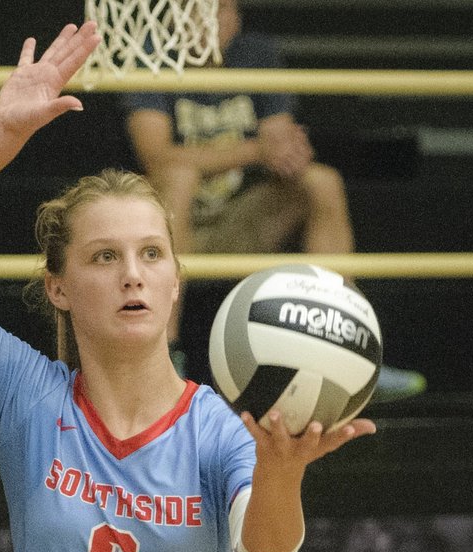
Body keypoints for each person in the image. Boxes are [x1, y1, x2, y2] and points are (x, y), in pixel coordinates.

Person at [0, 22, 375, 552]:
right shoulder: (26, 399)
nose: (133, 274)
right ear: (58, 287)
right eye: (105, 256)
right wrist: (0, 134)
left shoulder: (219, 430)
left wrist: (281, 473)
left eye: (151, 254)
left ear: (175, 281)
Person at [122, 0, 426, 402]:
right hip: (169, 229)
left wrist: (288, 151)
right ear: (177, 16)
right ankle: (164, 355)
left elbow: (279, 146)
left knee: (321, 181)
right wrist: (253, 150)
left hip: (239, 219)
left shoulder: (255, 53)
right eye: (202, 9)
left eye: (225, 10)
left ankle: (349, 350)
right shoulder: (150, 55)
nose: (216, 20)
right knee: (176, 177)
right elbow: (157, 157)